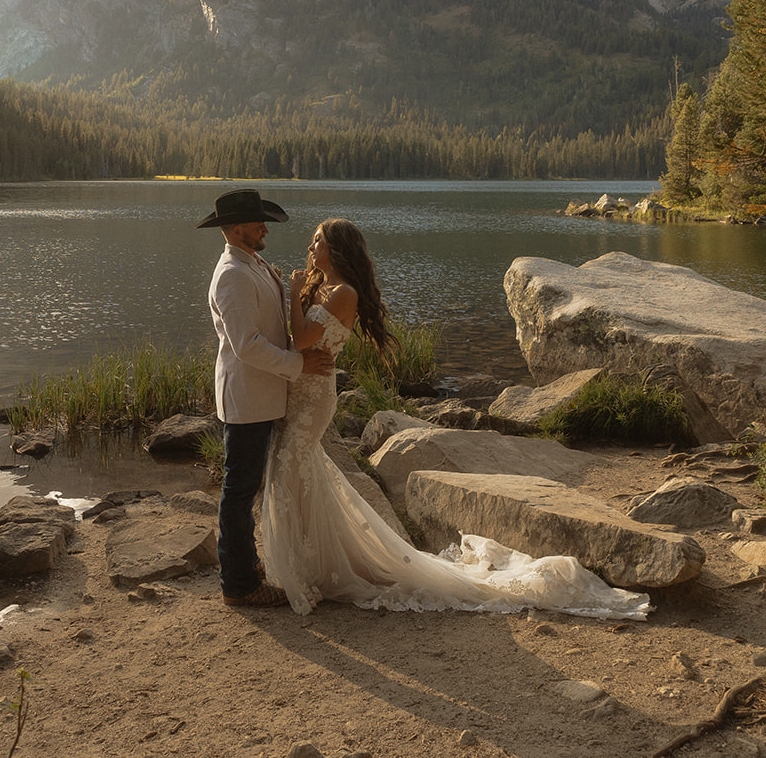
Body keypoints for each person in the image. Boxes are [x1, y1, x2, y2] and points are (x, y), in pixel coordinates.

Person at [260, 217, 653, 619]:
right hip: (299, 396)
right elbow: (300, 341)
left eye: (317, 242)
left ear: (337, 249)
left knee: (292, 468)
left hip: (313, 402)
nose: (310, 249)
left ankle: (311, 569)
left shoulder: (344, 293)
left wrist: (292, 293)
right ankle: (315, 564)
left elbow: (302, 339)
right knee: (296, 474)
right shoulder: (322, 287)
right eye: (312, 243)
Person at [199, 188, 331, 608]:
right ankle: (238, 585)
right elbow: (247, 345)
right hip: (247, 399)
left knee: (247, 486)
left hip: (264, 396)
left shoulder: (251, 263)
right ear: (236, 230)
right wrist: (299, 365)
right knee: (239, 492)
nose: (264, 228)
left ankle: (246, 563)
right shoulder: (231, 274)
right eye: (258, 223)